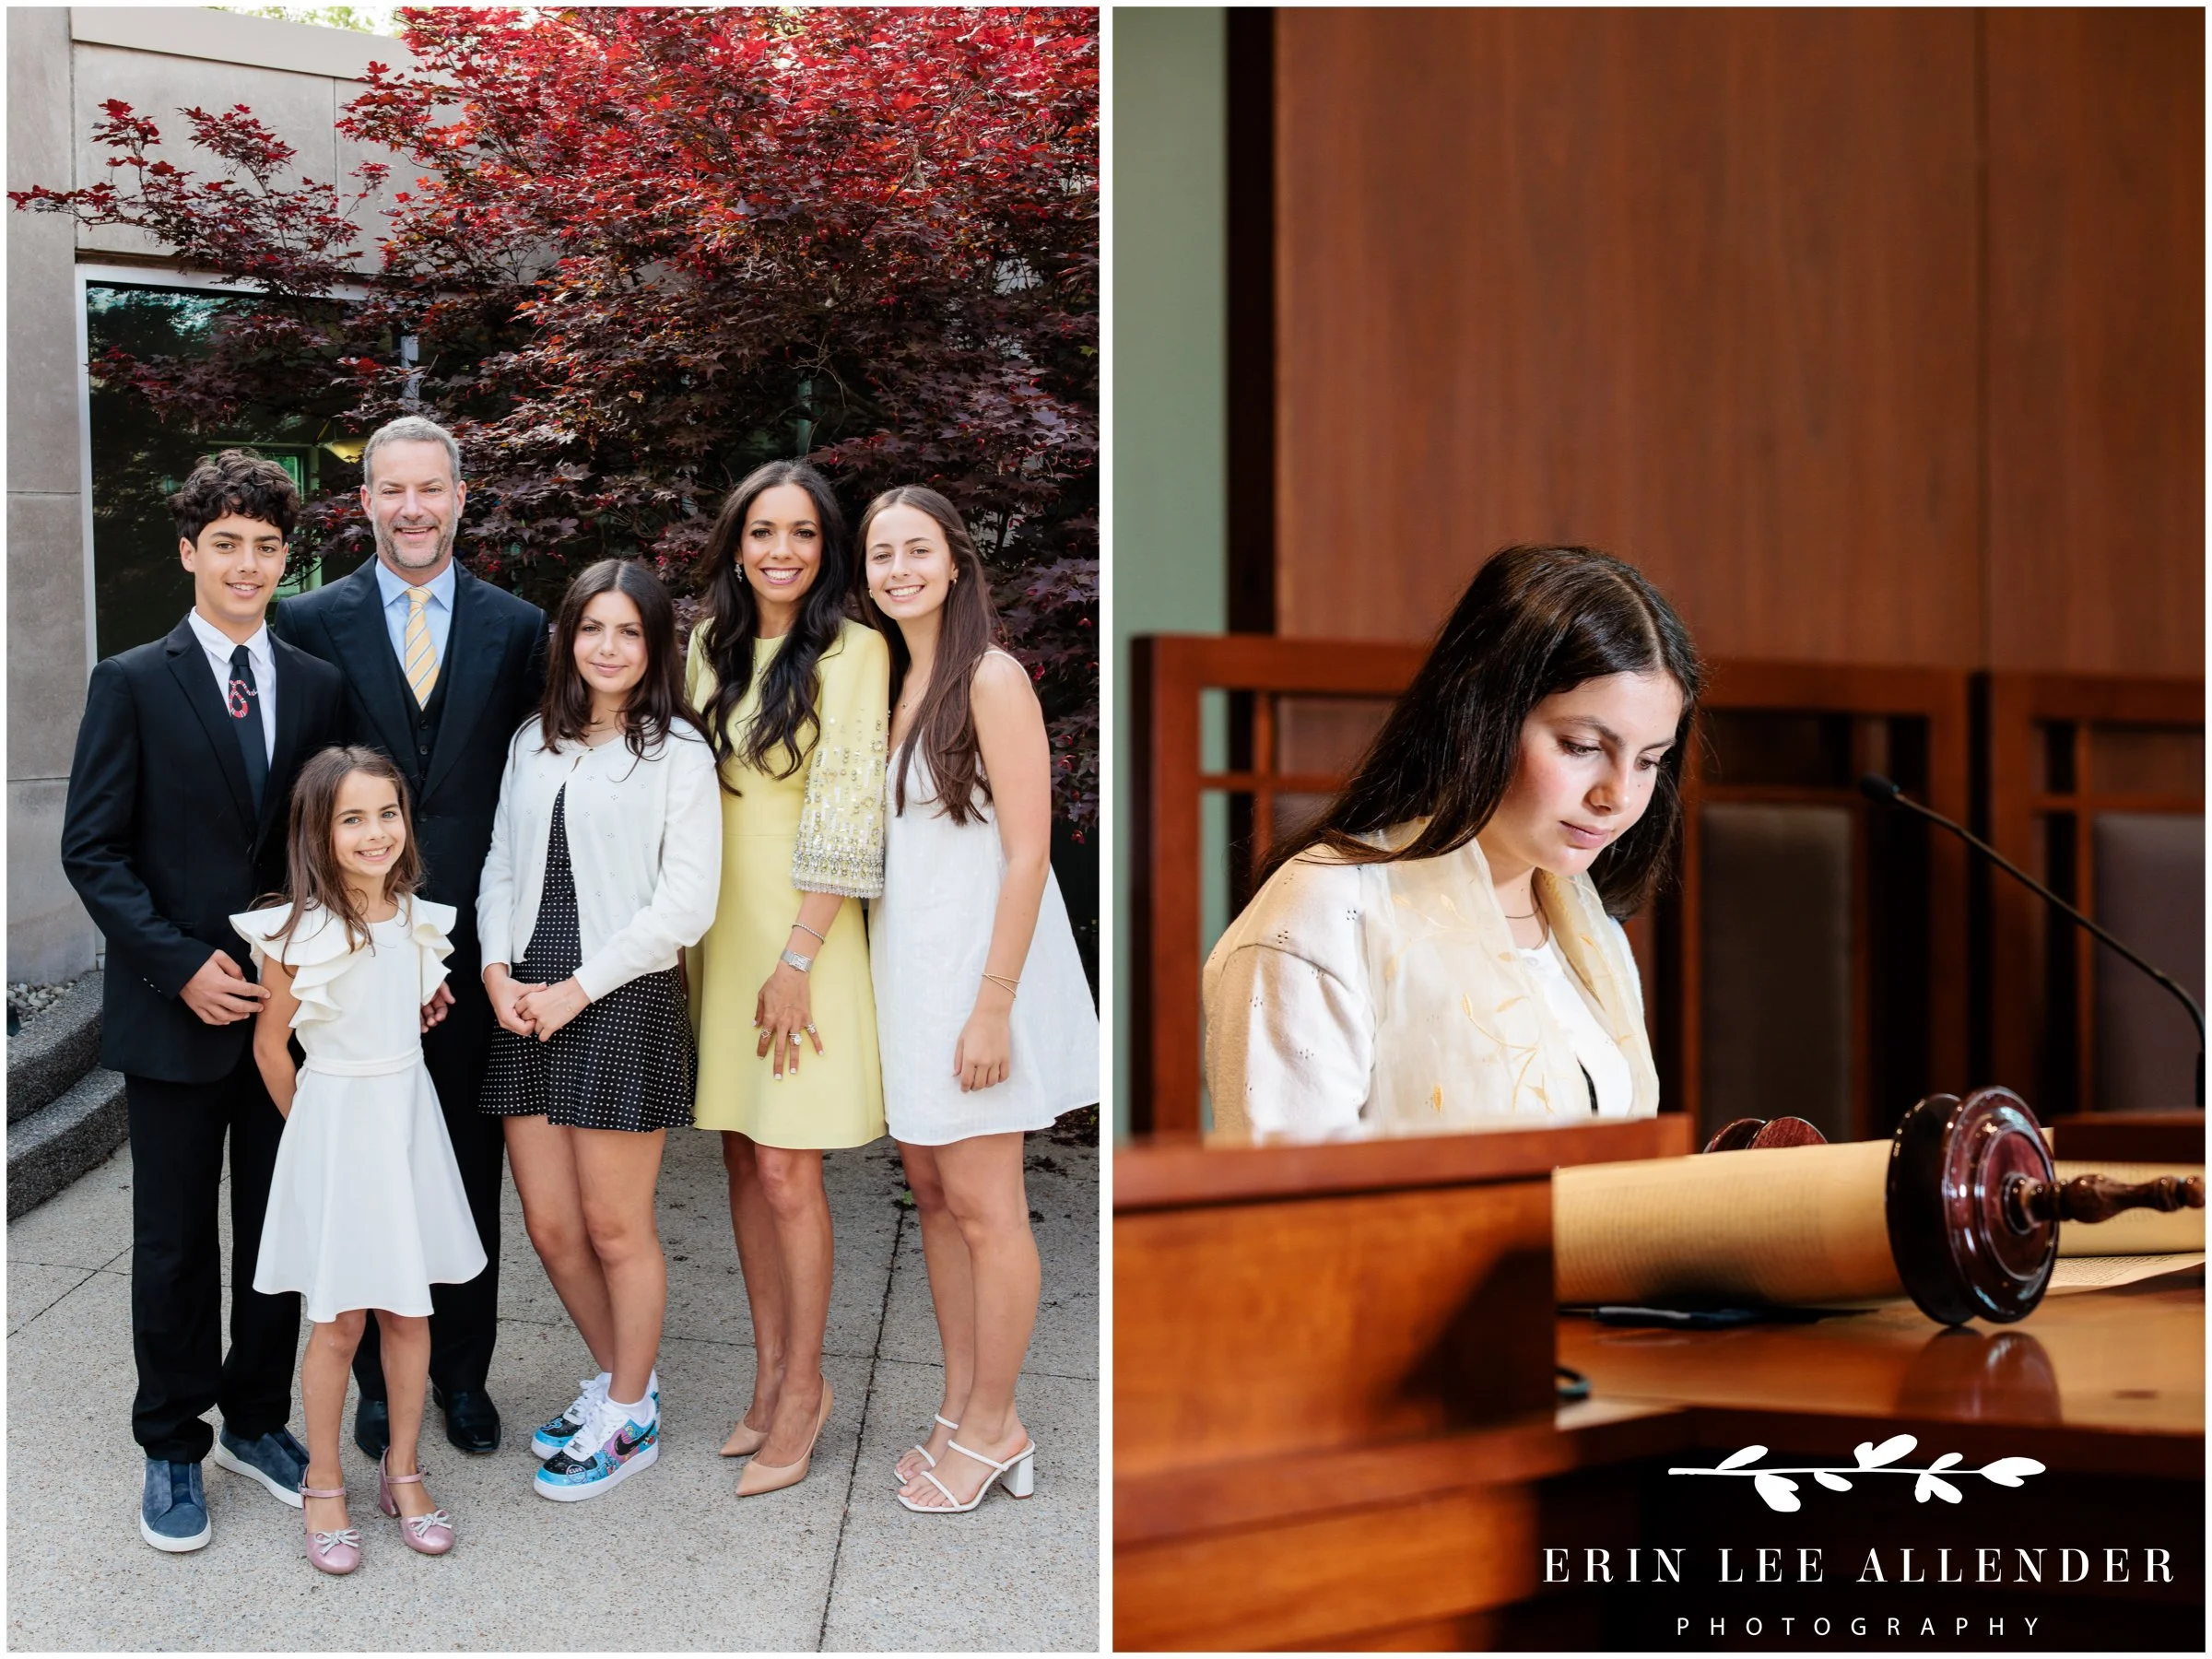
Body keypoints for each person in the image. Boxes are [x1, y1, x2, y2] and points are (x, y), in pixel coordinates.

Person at [61, 450, 345, 1553]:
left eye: (267, 546)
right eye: (225, 543)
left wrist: (310, 969)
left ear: (287, 556)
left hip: (285, 1021)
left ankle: (258, 1419)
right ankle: (172, 1444)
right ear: (189, 552)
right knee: (175, 1242)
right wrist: (180, 963)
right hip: (173, 1012)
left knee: (279, 1231)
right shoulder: (130, 680)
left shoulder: (317, 683)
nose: (247, 564)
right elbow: (94, 851)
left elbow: (328, 845)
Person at [1203, 545, 1702, 1140]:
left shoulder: (1590, 927)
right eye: (1581, 747)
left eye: (1649, 761)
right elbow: (1281, 1199)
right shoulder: (1330, 907)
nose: (1618, 796)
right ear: (1481, 717)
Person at [271, 415, 547, 1456]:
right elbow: (297, 794)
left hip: (474, 946)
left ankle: (460, 1375)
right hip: (352, 952)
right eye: (392, 490)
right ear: (368, 501)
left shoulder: (518, 628)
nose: (413, 508)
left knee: (462, 1163)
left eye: (431, 489)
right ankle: (383, 1391)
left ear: (461, 497)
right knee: (368, 1164)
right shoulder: (308, 620)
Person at [860, 486, 1099, 1513]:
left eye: (917, 550)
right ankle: (961, 1408)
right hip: (911, 978)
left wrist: (993, 1004)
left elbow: (1029, 852)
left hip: (977, 979)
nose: (898, 569)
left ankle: (999, 1424)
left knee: (991, 1210)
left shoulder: (991, 677)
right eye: (880, 555)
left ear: (956, 562)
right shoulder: (893, 681)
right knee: (939, 1202)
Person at [476, 559, 721, 1500]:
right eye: (591, 629)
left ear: (656, 646)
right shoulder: (533, 742)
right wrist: (498, 971)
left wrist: (574, 988)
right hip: (526, 995)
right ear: (567, 638)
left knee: (617, 1227)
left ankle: (628, 1417)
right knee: (549, 1226)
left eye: (628, 632)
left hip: (618, 995)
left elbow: (685, 906)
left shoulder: (678, 756)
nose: (607, 647)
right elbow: (500, 859)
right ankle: (631, 1386)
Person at [685, 460, 889, 1498]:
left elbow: (852, 812)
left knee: (786, 1173)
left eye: (803, 533)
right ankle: (765, 1379)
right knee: (738, 1160)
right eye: (763, 530)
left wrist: (798, 958)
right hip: (715, 938)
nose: (781, 551)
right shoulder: (705, 646)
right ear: (736, 540)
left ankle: (805, 1389)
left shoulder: (854, 651)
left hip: (802, 936)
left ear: (827, 547)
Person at [232, 747, 485, 1573]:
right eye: (353, 818)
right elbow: (273, 1050)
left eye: (388, 813)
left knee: (410, 1314)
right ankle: (327, 1484)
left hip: (406, 1118)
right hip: (338, 1123)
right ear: (319, 830)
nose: (376, 833)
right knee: (339, 1321)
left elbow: (410, 1000)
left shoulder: (415, 916)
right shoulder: (293, 932)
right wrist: (312, 1134)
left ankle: (403, 1473)